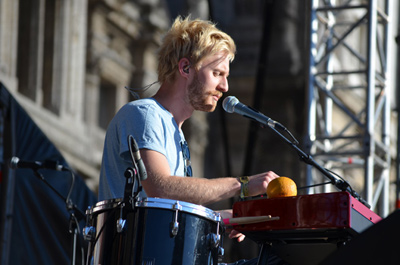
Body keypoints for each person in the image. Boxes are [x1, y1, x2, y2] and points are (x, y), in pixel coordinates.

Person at [98, 15, 284, 264]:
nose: (225, 86)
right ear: (185, 68)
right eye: (217, 73)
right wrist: (243, 184)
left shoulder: (176, 133)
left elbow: (170, 214)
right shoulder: (143, 113)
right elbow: (160, 189)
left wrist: (231, 217)